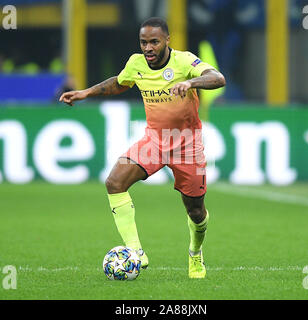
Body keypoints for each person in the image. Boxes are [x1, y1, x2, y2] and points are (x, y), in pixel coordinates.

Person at [59, 17, 226, 278]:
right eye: (143, 42)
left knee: (195, 210)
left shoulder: (183, 61)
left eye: (154, 42)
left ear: (167, 41)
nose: (148, 48)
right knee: (114, 182)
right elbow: (119, 82)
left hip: (186, 145)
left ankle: (195, 253)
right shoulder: (136, 63)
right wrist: (85, 93)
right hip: (154, 141)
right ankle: (135, 252)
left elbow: (217, 78)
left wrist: (190, 83)